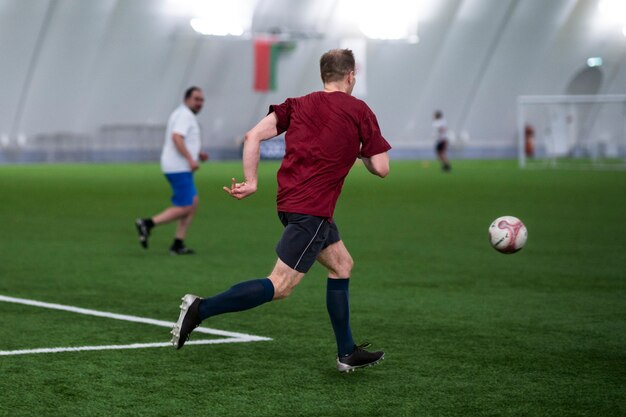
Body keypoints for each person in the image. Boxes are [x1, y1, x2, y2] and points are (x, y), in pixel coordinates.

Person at [170, 49, 392, 373]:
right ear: (350, 76)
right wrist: (357, 149)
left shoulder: (299, 103)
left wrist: (251, 181)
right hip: (312, 211)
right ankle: (200, 308)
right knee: (280, 285)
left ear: (323, 75)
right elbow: (382, 168)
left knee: (342, 265)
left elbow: (253, 136)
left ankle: (347, 352)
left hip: (290, 204)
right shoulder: (359, 110)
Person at [135, 86, 209, 255]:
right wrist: (191, 159)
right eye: (196, 99)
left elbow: (184, 139)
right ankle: (147, 224)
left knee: (193, 202)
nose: (200, 103)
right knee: (186, 206)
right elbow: (177, 137)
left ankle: (178, 243)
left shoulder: (182, 113)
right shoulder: (185, 115)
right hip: (179, 167)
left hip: (178, 166)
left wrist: (197, 154)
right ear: (187, 99)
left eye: (202, 100)